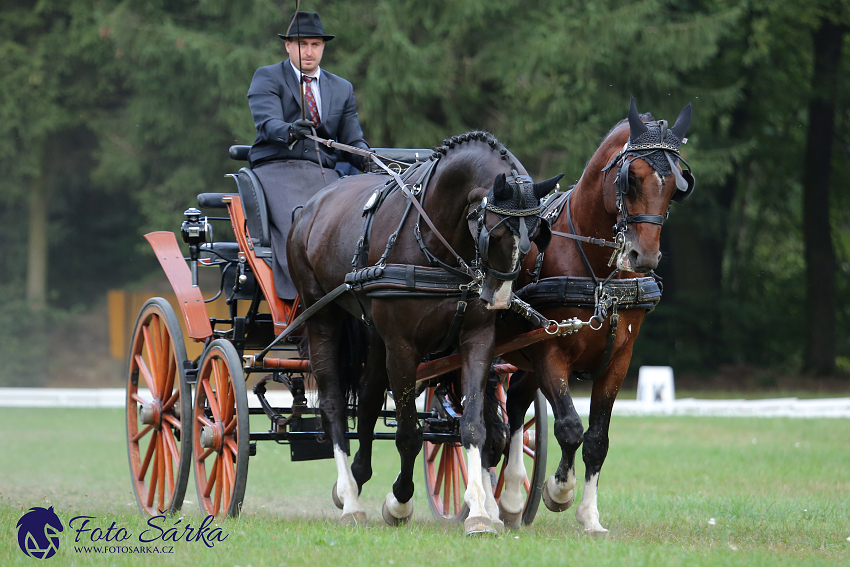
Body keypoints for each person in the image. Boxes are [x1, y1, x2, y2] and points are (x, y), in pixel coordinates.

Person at [247, 11, 369, 300]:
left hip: (325, 174)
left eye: (316, 44)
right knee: (303, 224)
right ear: (287, 46)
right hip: (277, 169)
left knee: (354, 224)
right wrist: (289, 130)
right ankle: (302, 298)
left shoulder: (342, 88)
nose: (309, 51)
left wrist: (369, 159)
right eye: (302, 44)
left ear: (323, 47)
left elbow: (353, 141)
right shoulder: (267, 77)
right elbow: (266, 124)